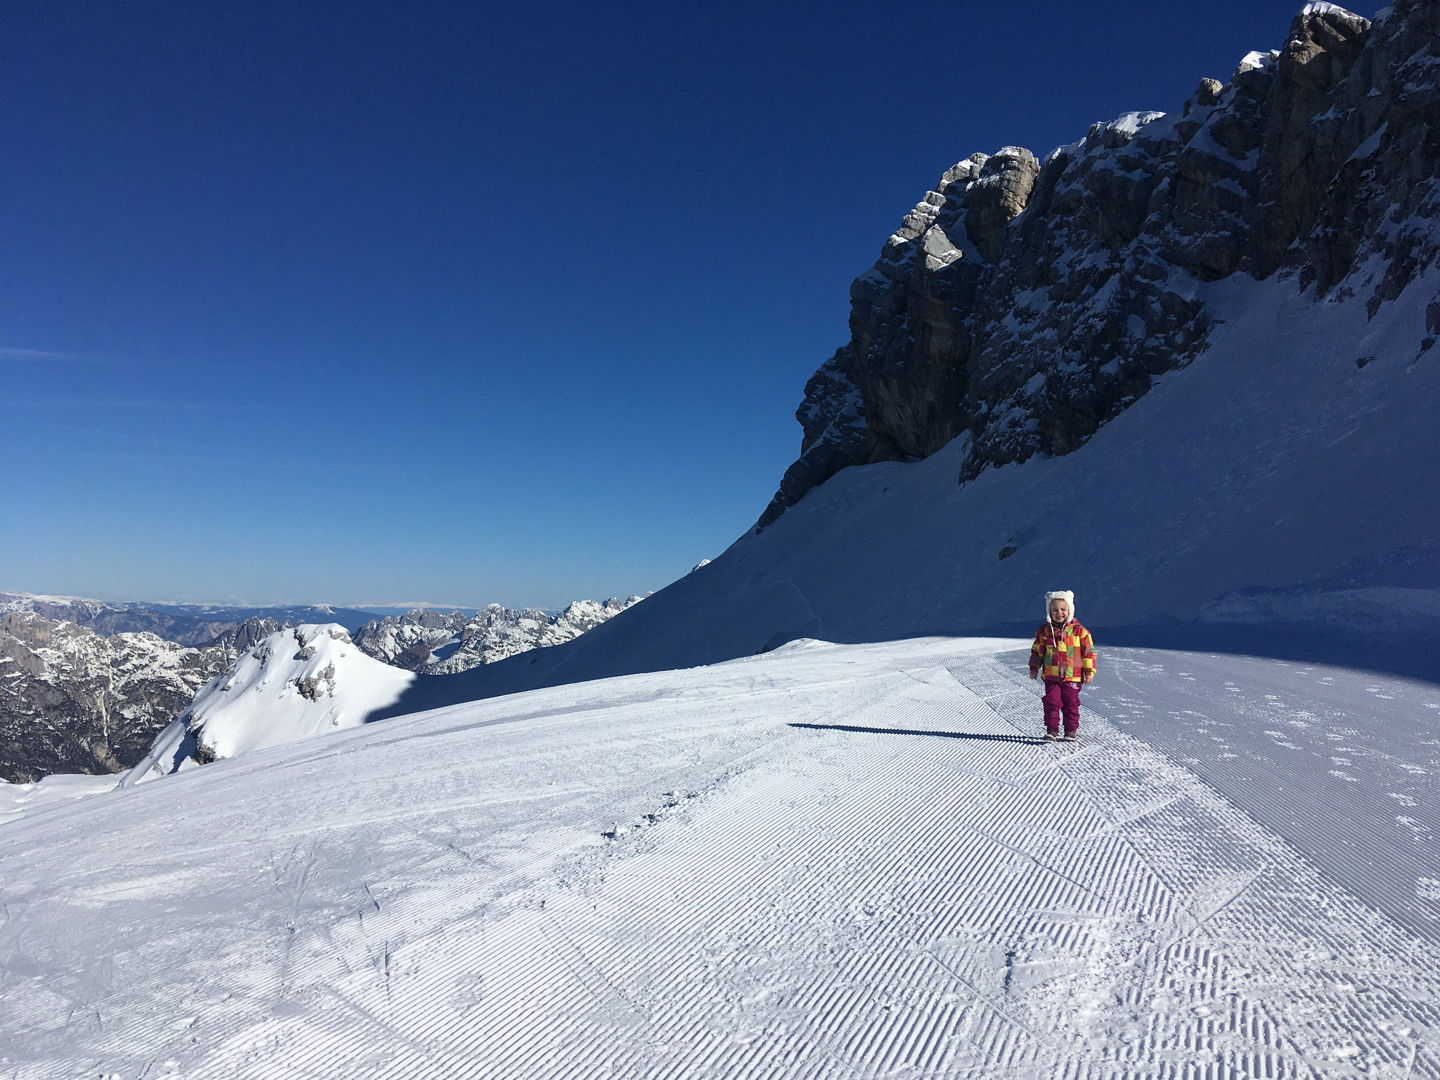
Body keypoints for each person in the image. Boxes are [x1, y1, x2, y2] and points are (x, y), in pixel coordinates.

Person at [1027, 590, 1096, 742]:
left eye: (1063, 609)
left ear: (1070, 610)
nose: (1059, 613)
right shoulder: (1044, 632)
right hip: (1051, 675)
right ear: (1049, 612)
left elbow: (1088, 653)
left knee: (1070, 703)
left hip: (1073, 676)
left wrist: (1089, 671)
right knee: (1052, 702)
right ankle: (1052, 731)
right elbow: (1037, 651)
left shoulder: (1080, 632)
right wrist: (1034, 667)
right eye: (1055, 610)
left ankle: (1070, 730)